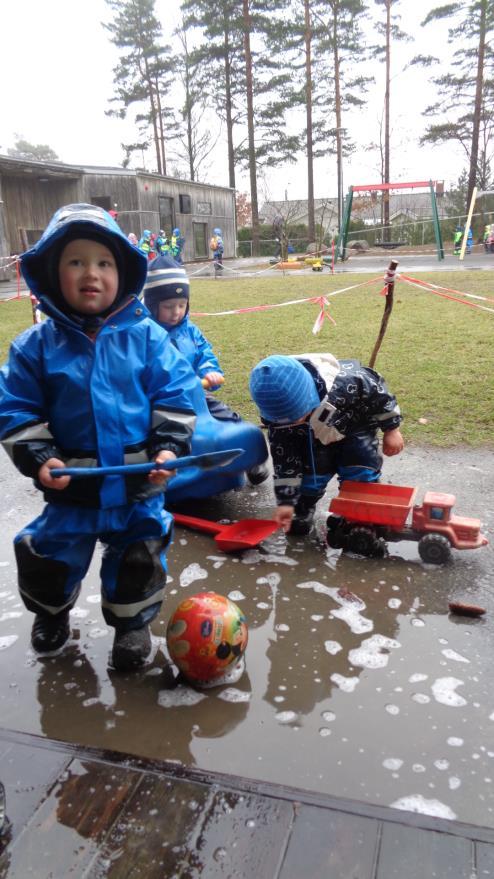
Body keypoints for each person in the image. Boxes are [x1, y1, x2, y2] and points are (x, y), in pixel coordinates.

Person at [0, 203, 198, 670]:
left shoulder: (149, 338)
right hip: (72, 488)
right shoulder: (35, 348)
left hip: (137, 483)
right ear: (52, 274)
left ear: (123, 272)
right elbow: (15, 409)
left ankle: (131, 625)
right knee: (50, 556)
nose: (92, 273)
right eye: (76, 261)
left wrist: (168, 446)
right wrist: (39, 456)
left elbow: (175, 394)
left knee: (139, 556)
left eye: (104, 262)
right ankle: (51, 614)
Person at [143, 254, 269, 485]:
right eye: (168, 306)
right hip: (159, 400)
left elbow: (204, 354)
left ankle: (250, 460)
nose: (176, 312)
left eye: (182, 305)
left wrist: (209, 371)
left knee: (231, 419)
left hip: (196, 393)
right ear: (152, 305)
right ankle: (159, 469)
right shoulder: (144, 334)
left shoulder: (190, 331)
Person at [249, 353, 404, 535]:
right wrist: (286, 501)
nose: (296, 420)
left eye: (300, 413)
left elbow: (380, 396)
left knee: (360, 471)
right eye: (288, 420)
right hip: (309, 440)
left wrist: (392, 428)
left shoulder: (348, 382)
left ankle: (355, 509)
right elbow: (285, 462)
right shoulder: (281, 426)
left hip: (354, 429)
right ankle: (302, 508)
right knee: (310, 477)